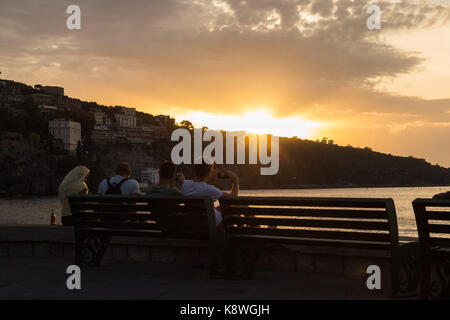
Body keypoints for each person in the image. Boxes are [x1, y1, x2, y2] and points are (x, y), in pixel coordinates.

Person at [181, 159, 239, 226]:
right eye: (212, 170)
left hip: (193, 225)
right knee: (230, 210)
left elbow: (199, 187)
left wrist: (209, 180)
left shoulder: (184, 184)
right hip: (210, 228)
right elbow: (234, 199)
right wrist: (235, 180)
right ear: (209, 173)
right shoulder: (211, 190)